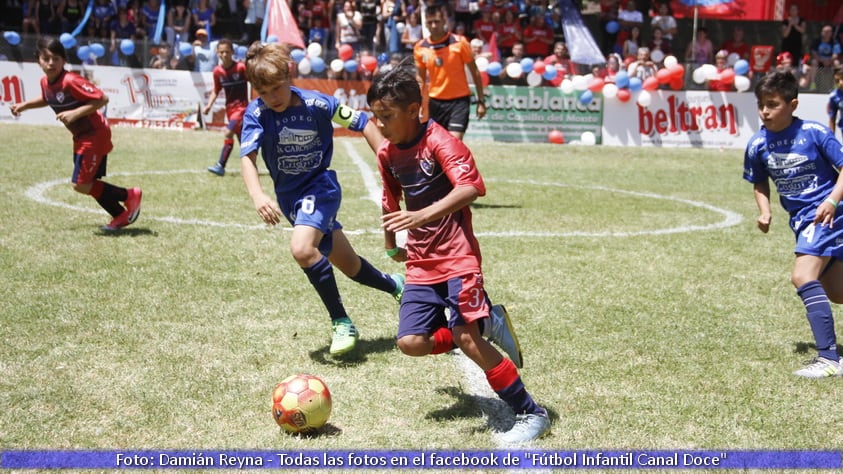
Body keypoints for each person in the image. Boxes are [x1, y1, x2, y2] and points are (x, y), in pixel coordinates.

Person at [366, 64, 552, 444]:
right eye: (375, 117)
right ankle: (488, 322)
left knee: (466, 339)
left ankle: (530, 411)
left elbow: (470, 188)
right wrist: (389, 246)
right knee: (411, 343)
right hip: (420, 263)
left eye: (386, 116)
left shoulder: (441, 142)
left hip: (457, 258)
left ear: (414, 109)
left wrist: (421, 215)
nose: (380, 125)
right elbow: (389, 201)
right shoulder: (387, 154)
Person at [239, 42, 404, 356]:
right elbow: (247, 157)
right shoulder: (256, 113)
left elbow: (364, 123)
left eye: (277, 88)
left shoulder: (317, 104)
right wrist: (257, 194)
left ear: (289, 77)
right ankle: (396, 285)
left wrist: (389, 163)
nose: (272, 97)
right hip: (290, 200)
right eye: (264, 91)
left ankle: (341, 321)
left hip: (320, 188)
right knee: (352, 267)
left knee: (302, 249)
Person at [743, 70, 843, 378]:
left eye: (772, 104)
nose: (765, 111)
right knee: (837, 291)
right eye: (761, 104)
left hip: (827, 214)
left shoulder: (814, 133)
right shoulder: (758, 144)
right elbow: (759, 182)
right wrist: (765, 211)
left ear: (793, 104)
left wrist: (831, 202)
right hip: (802, 222)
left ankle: (829, 359)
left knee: (801, 276)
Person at [9, 36, 142, 232]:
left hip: (94, 134)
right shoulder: (46, 82)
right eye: (46, 58)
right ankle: (120, 215)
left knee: (80, 185)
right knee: (87, 183)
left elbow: (101, 99)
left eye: (56, 58)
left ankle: (129, 195)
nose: (51, 63)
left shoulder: (70, 80)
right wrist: (24, 105)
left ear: (64, 60)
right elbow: (48, 98)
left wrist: (74, 113)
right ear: (38, 59)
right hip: (82, 137)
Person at [414, 5, 486, 141]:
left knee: (453, 143)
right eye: (430, 22)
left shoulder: (460, 43)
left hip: (459, 102)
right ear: (426, 24)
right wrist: (420, 103)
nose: (434, 25)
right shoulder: (420, 47)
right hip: (435, 102)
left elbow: (475, 72)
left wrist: (481, 101)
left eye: (437, 21)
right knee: (435, 145)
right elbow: (420, 78)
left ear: (444, 21)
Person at [205, 38, 248, 176]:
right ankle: (251, 165)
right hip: (229, 109)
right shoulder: (217, 72)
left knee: (228, 133)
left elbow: (253, 81)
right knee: (243, 141)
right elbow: (216, 90)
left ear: (232, 52)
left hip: (241, 109)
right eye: (221, 52)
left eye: (227, 52)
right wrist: (209, 105)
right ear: (217, 52)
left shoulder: (241, 68)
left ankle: (220, 166)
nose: (224, 55)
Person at [828, 69, 843, 140]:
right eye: (837, 80)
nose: (840, 83)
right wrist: (831, 139)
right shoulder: (834, 96)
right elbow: (832, 119)